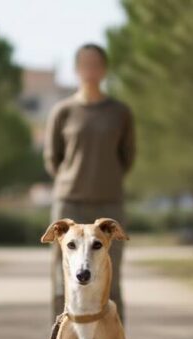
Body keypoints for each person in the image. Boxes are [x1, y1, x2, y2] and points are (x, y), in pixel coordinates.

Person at [44, 43, 136, 322]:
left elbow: (127, 156)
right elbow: (53, 158)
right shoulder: (63, 111)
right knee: (64, 276)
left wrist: (104, 179)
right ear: (76, 69)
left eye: (96, 64)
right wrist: (74, 179)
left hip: (109, 203)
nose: (90, 69)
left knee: (111, 274)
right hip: (69, 202)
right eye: (85, 64)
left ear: (104, 69)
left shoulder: (120, 112)